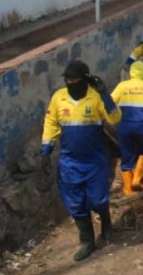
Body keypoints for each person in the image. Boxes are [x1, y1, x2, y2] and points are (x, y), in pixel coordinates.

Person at [40, 60, 121, 261]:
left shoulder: (96, 98)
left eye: (74, 79)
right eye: (67, 79)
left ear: (84, 80)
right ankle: (87, 241)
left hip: (95, 161)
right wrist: (46, 149)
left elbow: (115, 118)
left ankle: (106, 223)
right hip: (70, 162)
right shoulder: (59, 98)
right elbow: (51, 123)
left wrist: (106, 95)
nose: (70, 82)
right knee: (76, 204)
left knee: (97, 199)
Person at [110, 61, 143, 196]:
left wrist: (110, 119)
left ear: (131, 73)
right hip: (142, 126)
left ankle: (128, 189)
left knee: (126, 156)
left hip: (124, 126)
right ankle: (137, 180)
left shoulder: (122, 86)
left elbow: (110, 103)